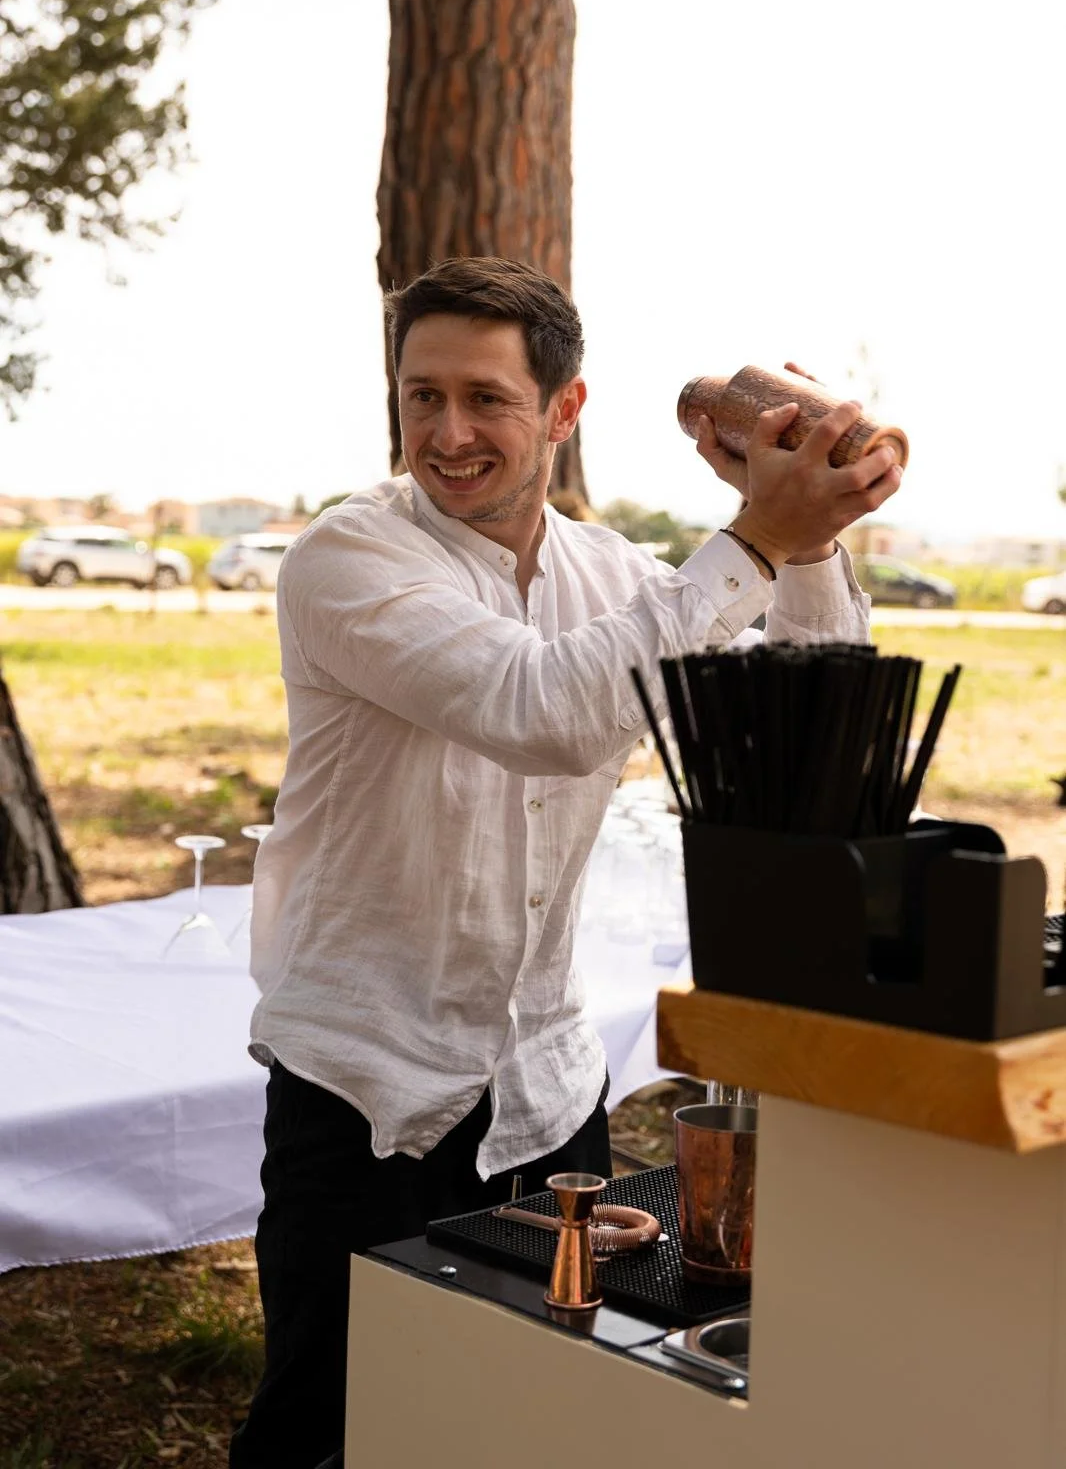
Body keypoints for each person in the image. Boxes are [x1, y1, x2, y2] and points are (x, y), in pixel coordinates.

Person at [229, 257, 901, 1469]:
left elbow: (813, 705)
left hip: (547, 1094)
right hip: (369, 1089)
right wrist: (753, 533)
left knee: (534, 1422)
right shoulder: (346, 559)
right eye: (421, 395)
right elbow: (543, 708)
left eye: (485, 398)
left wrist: (809, 536)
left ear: (563, 409)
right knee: (332, 1429)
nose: (447, 432)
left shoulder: (609, 575)